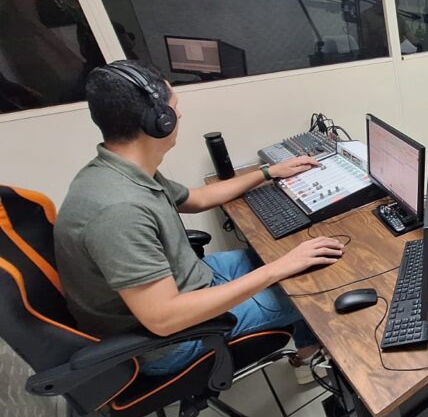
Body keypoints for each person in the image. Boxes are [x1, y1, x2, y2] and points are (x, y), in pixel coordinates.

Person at [54, 60, 344, 383]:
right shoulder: (118, 210)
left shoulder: (120, 170)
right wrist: (278, 269)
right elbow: (164, 319)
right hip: (170, 340)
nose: (179, 115)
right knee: (316, 291)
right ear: (158, 121)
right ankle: (320, 363)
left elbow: (198, 198)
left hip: (191, 279)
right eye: (174, 107)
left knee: (306, 261)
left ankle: (306, 354)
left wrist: (267, 172)